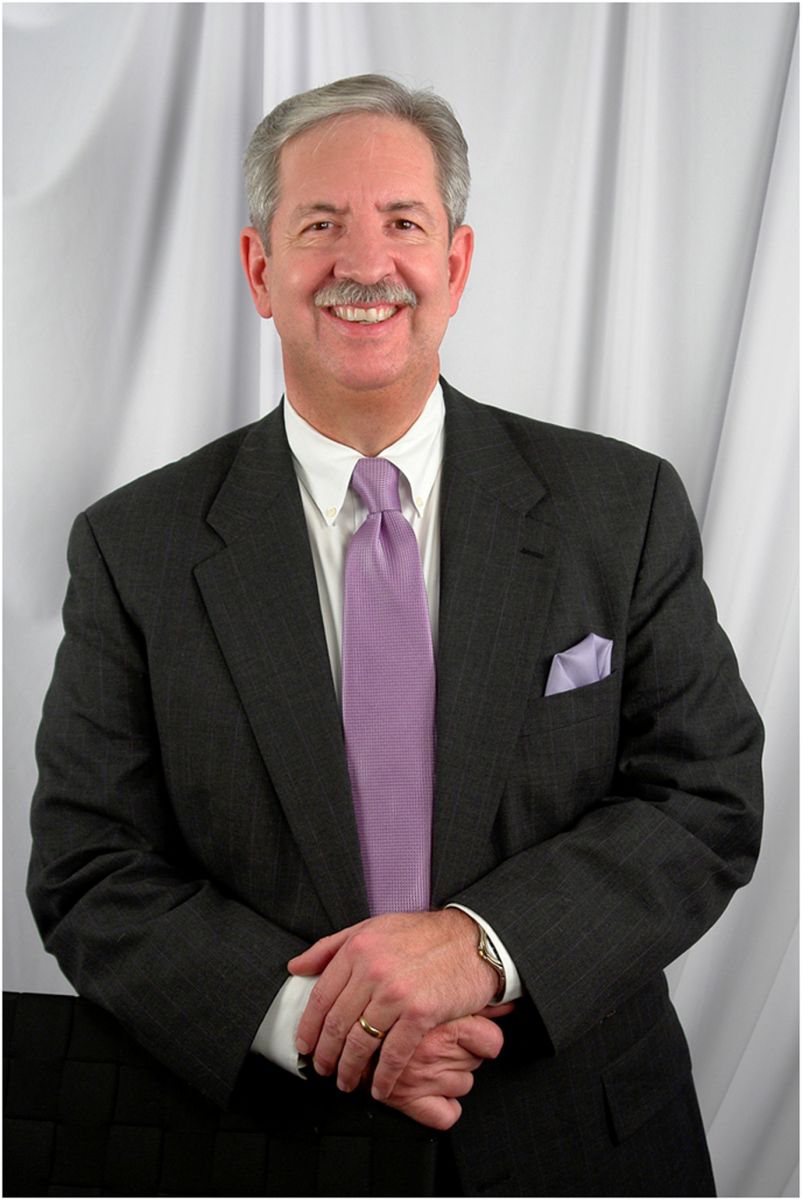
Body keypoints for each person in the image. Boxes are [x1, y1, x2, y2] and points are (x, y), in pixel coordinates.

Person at [28, 74, 763, 1196]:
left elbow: (704, 794)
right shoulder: (134, 548)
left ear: (456, 266)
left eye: (404, 224)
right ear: (259, 269)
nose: (363, 263)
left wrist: (479, 946)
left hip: (586, 1143)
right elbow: (88, 868)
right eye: (320, 224)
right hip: (268, 1147)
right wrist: (316, 1021)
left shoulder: (621, 509)